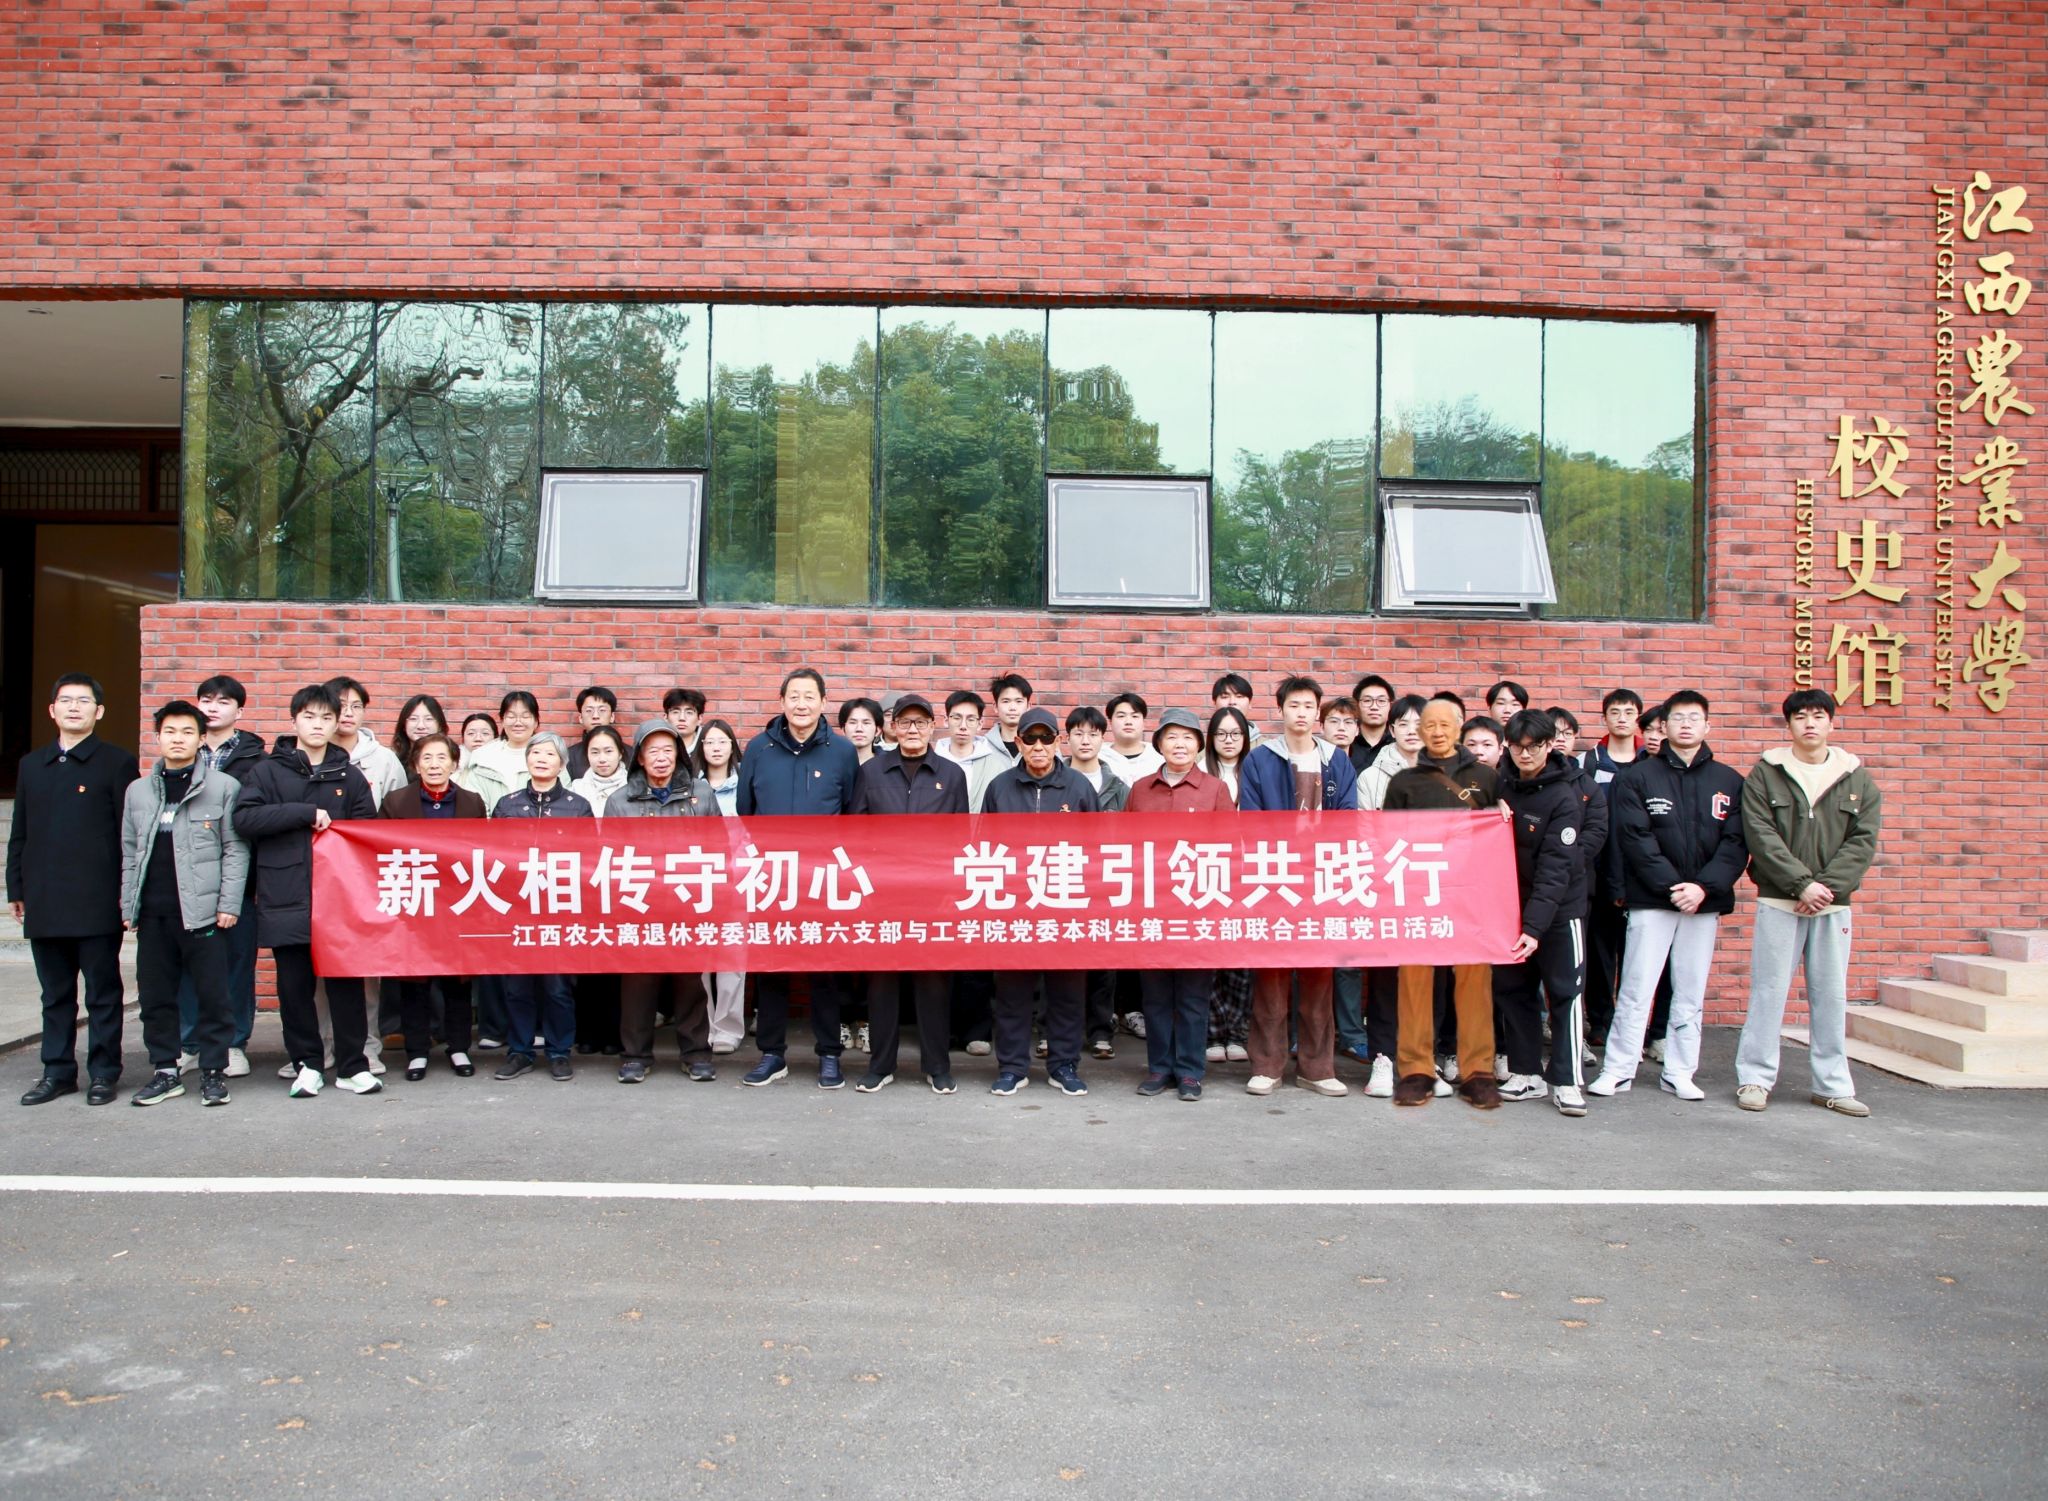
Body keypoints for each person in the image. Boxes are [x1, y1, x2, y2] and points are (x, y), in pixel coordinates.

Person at [1590, 690, 1748, 1101]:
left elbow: (1735, 844)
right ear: (1663, 726)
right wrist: (1672, 887)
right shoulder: (1637, 777)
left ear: (1707, 726)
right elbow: (1634, 838)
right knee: (1636, 987)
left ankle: (1680, 1071)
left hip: (1703, 903)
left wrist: (1703, 888)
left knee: (1689, 990)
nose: (1686, 725)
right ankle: (1618, 1069)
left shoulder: (1729, 781)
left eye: (1695, 718)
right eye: (1678, 718)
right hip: (1651, 900)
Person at [1735, 689, 1883, 1117]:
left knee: (1830, 995)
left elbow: (1863, 841)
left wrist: (1825, 888)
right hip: (1779, 901)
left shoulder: (1856, 777)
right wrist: (1801, 885)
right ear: (1789, 725)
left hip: (1832, 905)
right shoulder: (1766, 773)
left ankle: (1832, 1085)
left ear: (1831, 723)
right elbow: (1760, 835)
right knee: (1768, 991)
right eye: (1800, 717)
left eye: (1818, 716)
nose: (1810, 723)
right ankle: (1754, 1079)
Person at [234, 683, 381, 1098]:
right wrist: (302, 813)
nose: (318, 725)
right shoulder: (267, 771)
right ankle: (307, 1064)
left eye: (326, 717)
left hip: (339, 899)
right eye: (310, 717)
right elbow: (245, 819)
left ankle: (353, 1066)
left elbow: (367, 832)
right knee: (294, 988)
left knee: (346, 985)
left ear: (337, 723)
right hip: (285, 892)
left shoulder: (349, 775)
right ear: (295, 720)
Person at [11, 675, 139, 1107]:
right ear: (52, 710)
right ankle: (57, 1072)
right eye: (65, 700)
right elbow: (20, 832)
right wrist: (16, 887)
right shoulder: (32, 765)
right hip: (45, 898)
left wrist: (126, 894)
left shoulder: (117, 763)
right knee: (55, 994)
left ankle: (104, 1073)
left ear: (98, 712)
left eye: (83, 701)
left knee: (103, 993)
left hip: (97, 899)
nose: (73, 707)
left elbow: (128, 836)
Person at [118, 701, 249, 1109]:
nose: (178, 739)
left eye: (188, 732)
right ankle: (165, 1070)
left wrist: (229, 904)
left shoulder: (223, 787)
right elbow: (129, 851)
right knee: (156, 997)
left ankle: (213, 1071)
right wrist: (128, 905)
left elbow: (236, 849)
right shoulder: (138, 791)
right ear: (157, 737)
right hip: (153, 914)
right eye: (170, 732)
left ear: (201, 739)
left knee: (213, 997)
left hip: (204, 914)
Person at [736, 668, 861, 1089]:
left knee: (825, 971)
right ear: (782, 701)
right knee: (771, 969)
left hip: (823, 878)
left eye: (809, 696)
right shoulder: (758, 748)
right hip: (772, 876)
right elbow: (745, 809)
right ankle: (772, 1054)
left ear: (823, 702)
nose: (801, 704)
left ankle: (829, 1054)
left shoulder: (841, 751)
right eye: (794, 696)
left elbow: (851, 812)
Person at [1235, 675, 1358, 1099]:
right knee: (1270, 975)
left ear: (1317, 712)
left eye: (1308, 706)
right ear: (1281, 710)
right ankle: (1267, 1066)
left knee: (1319, 975)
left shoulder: (1336, 760)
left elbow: (1348, 817)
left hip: (1322, 878)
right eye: (1294, 705)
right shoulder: (1261, 759)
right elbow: (1251, 819)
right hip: (1274, 878)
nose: (1301, 713)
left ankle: (1317, 1068)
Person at [1383, 698, 1501, 1110]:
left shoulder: (1487, 778)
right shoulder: (1404, 783)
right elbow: (1389, 841)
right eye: (1428, 725)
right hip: (1421, 893)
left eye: (1444, 724)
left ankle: (1478, 1072)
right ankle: (1415, 1070)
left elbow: (1500, 834)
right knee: (1415, 980)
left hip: (1472, 895)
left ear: (1458, 727)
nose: (1435, 731)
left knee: (1474, 981)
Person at [849, 693, 964, 1093]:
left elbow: (960, 839)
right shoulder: (871, 772)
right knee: (882, 984)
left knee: (933, 984)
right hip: (883, 895)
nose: (913, 729)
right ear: (893, 727)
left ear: (932, 727)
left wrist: (951, 891)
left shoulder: (951, 775)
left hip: (933, 896)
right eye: (905, 722)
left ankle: (937, 1066)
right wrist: (865, 890)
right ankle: (881, 1065)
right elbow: (856, 833)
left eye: (921, 722)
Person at [980, 707, 1098, 1096]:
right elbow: (985, 848)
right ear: (1018, 742)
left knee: (1066, 992)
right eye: (1029, 738)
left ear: (1058, 742)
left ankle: (1064, 1065)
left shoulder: (1079, 788)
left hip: (1067, 905)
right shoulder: (999, 787)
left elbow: (1097, 849)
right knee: (1012, 992)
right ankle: (1013, 1067)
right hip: (1014, 906)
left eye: (1046, 738)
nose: (1038, 745)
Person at [1125, 708, 1232, 1101]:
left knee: (1192, 996)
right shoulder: (1140, 789)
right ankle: (1159, 1068)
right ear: (1159, 744)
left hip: (1197, 907)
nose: (1180, 744)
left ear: (1199, 745)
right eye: (1171, 737)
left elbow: (1229, 849)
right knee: (1155, 995)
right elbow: (1126, 847)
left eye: (1188, 737)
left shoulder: (1214, 790)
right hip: (1152, 907)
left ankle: (1189, 1071)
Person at [605, 719, 720, 1084]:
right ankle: (635, 1056)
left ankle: (696, 1053)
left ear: (679, 755)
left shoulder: (701, 794)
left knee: (690, 983)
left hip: (688, 902)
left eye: (668, 750)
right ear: (639, 757)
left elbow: (718, 847)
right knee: (638, 984)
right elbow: (608, 856)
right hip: (639, 904)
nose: (661, 757)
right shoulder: (620, 801)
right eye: (652, 750)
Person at [1492, 711, 1590, 1115]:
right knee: (1513, 991)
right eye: (1517, 747)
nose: (1525, 754)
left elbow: (1556, 869)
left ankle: (1566, 1080)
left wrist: (1533, 928)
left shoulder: (1565, 796)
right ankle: (1525, 1072)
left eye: (1533, 747)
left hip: (1559, 911)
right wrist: (1488, 803)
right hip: (1509, 908)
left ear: (1550, 745)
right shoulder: (1501, 783)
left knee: (1565, 994)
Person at [379, 732, 486, 1080]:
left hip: (458, 903)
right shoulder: (396, 802)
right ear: (415, 764)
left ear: (454, 764)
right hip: (414, 902)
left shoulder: (472, 802)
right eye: (427, 758)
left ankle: (459, 1048)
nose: (435, 765)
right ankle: (417, 1052)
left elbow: (483, 852)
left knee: (457, 981)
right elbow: (379, 851)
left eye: (442, 758)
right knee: (415, 981)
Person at [490, 732, 592, 1081]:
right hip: (517, 909)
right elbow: (492, 856)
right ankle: (519, 1051)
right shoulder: (507, 805)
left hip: (559, 909)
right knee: (517, 986)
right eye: (536, 753)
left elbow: (588, 860)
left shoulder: (578, 807)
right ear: (527, 760)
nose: (541, 759)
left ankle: (559, 1051)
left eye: (550, 754)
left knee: (557, 987)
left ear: (562, 763)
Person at [186, 672, 265, 1078]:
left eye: (223, 701)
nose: (213, 708)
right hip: (187, 876)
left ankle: (234, 1043)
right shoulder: (184, 751)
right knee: (188, 963)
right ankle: (189, 1043)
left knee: (236, 963)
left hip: (239, 875)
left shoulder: (256, 760)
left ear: (239, 711)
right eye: (206, 700)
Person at [1349, 693, 1426, 1096]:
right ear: (1392, 729)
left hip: (1433, 890)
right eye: (1404, 724)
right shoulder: (1370, 777)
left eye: (1420, 724)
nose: (1412, 731)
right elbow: (1365, 835)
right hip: (1388, 889)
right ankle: (1383, 1059)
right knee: (1384, 979)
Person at [1063, 704, 1130, 1060]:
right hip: (1062, 879)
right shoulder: (1054, 781)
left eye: (1092, 734)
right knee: (1059, 960)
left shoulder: (1119, 788)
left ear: (1103, 738)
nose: (1085, 740)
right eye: (1078, 733)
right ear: (1067, 738)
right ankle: (1055, 1030)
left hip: (1106, 882)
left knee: (1104, 959)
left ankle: (1101, 1031)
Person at [1580, 688, 1644, 1051]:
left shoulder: (1651, 762)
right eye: (1615, 712)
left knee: (1638, 955)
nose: (1622, 718)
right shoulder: (1588, 763)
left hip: (1642, 874)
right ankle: (1601, 1022)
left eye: (1629, 712)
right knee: (1600, 955)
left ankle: (1633, 1028)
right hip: (1600, 873)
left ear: (1638, 718)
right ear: (1604, 718)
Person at [1199, 705, 1254, 1064]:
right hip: (1208, 872)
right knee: (1209, 955)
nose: (1229, 740)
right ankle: (1213, 1032)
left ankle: (1237, 1031)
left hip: (1248, 873)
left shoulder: (1256, 770)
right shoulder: (1200, 772)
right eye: (1221, 734)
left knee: (1241, 958)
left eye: (1235, 734)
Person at [693, 719, 746, 1053]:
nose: (715, 748)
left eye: (722, 741)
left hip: (737, 882)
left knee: (731, 959)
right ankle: (703, 1025)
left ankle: (727, 1028)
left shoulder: (745, 786)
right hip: (696, 881)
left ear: (732, 746)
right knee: (698, 961)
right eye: (709, 742)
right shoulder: (690, 787)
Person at [325, 676, 407, 803]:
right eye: (341, 705)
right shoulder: (311, 755)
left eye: (356, 706)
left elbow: (400, 807)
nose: (349, 713)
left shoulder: (385, 759)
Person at [455, 712, 513, 815]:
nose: (478, 738)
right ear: (463, 738)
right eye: (471, 733)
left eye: (485, 733)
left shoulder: (505, 766)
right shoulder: (453, 767)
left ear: (495, 737)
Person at [1101, 691, 1163, 783]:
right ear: (1110, 723)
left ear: (1144, 723)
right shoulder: (1099, 757)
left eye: (1134, 716)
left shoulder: (1158, 757)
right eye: (1121, 716)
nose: (1128, 722)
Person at [570, 723, 631, 814]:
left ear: (620, 754)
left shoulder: (634, 788)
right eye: (595, 752)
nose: (602, 759)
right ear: (587, 755)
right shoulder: (576, 790)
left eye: (608, 751)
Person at [565, 685, 620, 780]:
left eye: (602, 710)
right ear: (580, 717)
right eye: (589, 710)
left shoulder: (629, 753)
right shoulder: (568, 756)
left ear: (612, 716)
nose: (595, 716)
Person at [391, 694, 449, 775]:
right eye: (413, 719)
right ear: (404, 725)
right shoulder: (392, 761)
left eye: (428, 719)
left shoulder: (452, 760)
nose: (420, 726)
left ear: (440, 725)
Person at [979, 673, 1033, 760]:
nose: (1012, 708)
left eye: (1019, 701)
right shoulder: (981, 747)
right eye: (1006, 701)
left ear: (1028, 706)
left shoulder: (1041, 745)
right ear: (995, 707)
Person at [1351, 675, 1396, 766]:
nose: (1374, 707)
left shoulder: (1398, 742)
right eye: (1367, 700)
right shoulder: (1346, 741)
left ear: (1390, 706)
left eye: (1381, 701)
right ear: (1356, 705)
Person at [1210, 672, 1261, 745]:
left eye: (1239, 696)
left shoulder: (1266, 748)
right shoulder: (1200, 749)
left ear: (1250, 703)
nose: (1232, 702)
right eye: (1225, 697)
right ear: (1214, 703)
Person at [838, 697, 884, 766]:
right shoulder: (831, 763)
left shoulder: (889, 765)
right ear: (843, 729)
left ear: (877, 730)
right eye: (853, 722)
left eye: (866, 723)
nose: (859, 729)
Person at [663, 687, 707, 758]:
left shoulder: (709, 746)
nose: (682, 718)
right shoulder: (656, 745)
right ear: (666, 717)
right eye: (675, 712)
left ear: (699, 719)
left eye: (689, 712)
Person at [1319, 697, 1361, 762]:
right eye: (1334, 721)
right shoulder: (1313, 764)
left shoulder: (1364, 766)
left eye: (1348, 722)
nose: (1341, 728)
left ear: (1357, 730)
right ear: (1322, 727)